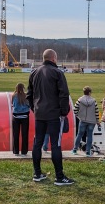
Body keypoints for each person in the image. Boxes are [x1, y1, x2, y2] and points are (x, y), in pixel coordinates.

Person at [27, 49, 74, 186]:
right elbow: (64, 94)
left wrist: (35, 109)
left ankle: (37, 173)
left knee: (37, 143)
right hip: (54, 115)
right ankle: (59, 177)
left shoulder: (34, 72)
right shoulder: (57, 72)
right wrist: (63, 113)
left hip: (40, 114)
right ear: (54, 58)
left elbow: (29, 95)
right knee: (56, 145)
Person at [72, 86, 100, 156]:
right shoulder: (94, 101)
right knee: (89, 135)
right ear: (89, 92)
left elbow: (75, 110)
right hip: (92, 121)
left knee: (79, 135)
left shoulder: (80, 100)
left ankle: (75, 149)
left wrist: (79, 116)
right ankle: (88, 151)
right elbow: (96, 112)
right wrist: (97, 121)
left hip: (83, 120)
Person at [11, 83, 30, 156]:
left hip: (16, 117)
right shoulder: (26, 96)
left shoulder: (14, 96)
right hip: (25, 116)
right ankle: (24, 152)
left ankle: (16, 151)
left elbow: (13, 104)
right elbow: (29, 105)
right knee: (25, 134)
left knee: (16, 134)